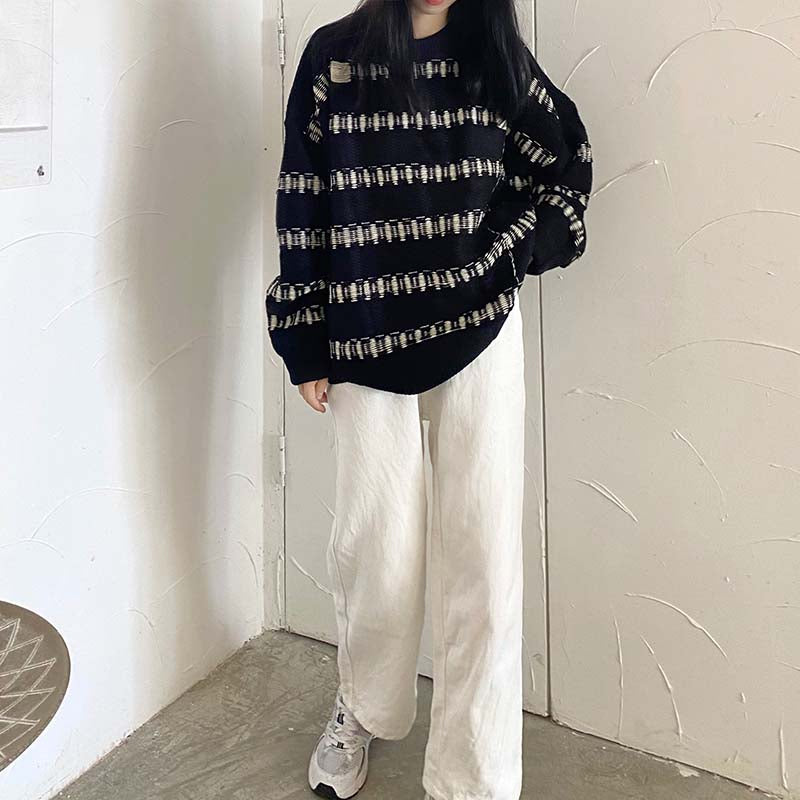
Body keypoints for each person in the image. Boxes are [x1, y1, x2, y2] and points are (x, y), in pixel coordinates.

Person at [265, 0, 593, 797]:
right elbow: (303, 195)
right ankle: (363, 706)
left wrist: (511, 249)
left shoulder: (495, 56)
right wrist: (304, 333)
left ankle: (475, 774)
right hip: (364, 329)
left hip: (479, 333)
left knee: (483, 552)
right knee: (374, 548)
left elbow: (568, 160)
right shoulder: (334, 55)